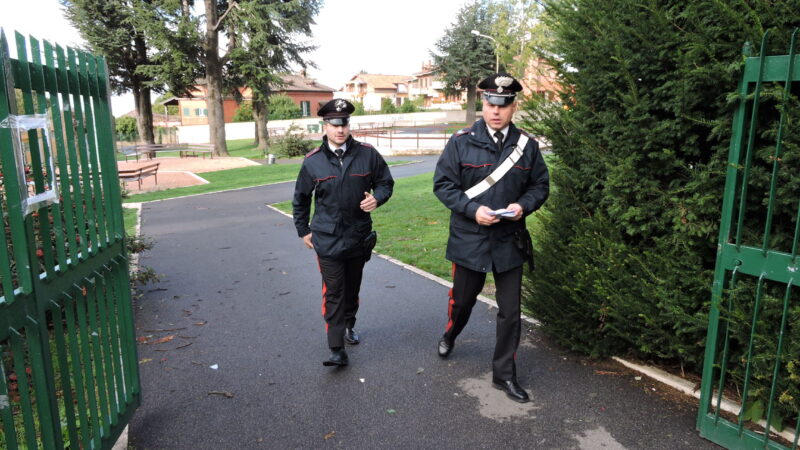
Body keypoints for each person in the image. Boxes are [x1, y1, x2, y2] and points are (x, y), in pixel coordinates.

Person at [432, 73, 549, 402]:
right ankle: (451, 333)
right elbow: (443, 186)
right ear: (483, 104)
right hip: (471, 237)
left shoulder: (527, 145)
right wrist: (472, 210)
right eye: (490, 103)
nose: (496, 111)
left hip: (509, 239)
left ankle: (504, 375)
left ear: (514, 106)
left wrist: (523, 206)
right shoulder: (460, 141)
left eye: (504, 104)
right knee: (464, 302)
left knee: (510, 312)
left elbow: (540, 186)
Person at [292, 98, 394, 367]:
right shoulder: (313, 162)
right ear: (325, 126)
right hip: (327, 238)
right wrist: (303, 230)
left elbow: (385, 182)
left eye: (344, 123)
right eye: (334, 124)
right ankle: (336, 347)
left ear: (349, 125)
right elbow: (301, 199)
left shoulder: (367, 154)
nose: (340, 129)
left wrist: (378, 198)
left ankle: (349, 324)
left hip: (358, 236)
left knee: (351, 289)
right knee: (334, 291)